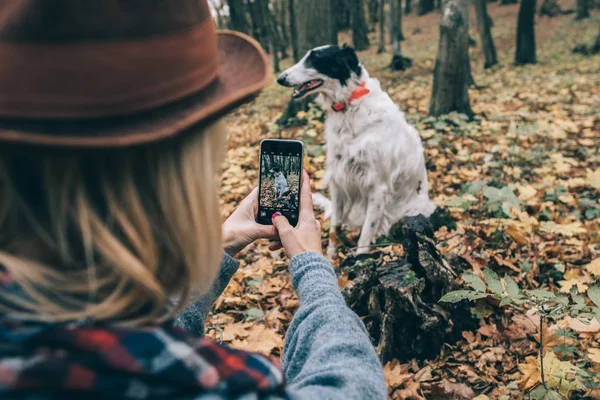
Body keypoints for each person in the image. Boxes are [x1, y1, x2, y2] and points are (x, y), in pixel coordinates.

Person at [0, 1, 387, 399]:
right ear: (165, 177)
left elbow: (125, 337)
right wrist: (314, 270)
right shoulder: (217, 385)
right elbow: (354, 386)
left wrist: (222, 246)